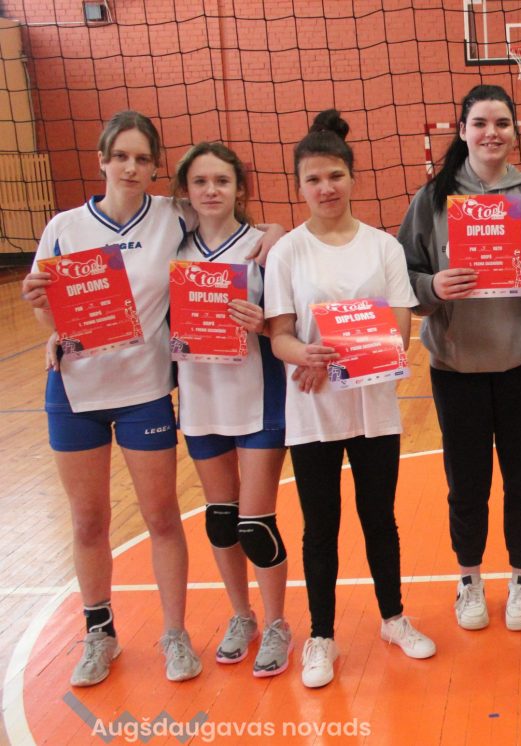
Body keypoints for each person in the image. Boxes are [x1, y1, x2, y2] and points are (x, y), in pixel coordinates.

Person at [21, 110, 202, 685]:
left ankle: (175, 634)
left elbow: (235, 219)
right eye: (120, 156)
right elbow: (49, 310)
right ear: (101, 160)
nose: (130, 167)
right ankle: (99, 633)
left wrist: (272, 235)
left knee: (161, 516)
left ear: (154, 167)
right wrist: (43, 312)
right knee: (88, 521)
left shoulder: (174, 217)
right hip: (75, 390)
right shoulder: (64, 227)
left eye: (142, 158)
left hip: (145, 391)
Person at [264, 109, 433, 688]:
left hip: (373, 406)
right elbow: (280, 334)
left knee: (379, 518)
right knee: (320, 527)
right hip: (313, 409)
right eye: (313, 179)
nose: (326, 187)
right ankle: (321, 636)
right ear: (300, 187)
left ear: (352, 177)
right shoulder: (287, 252)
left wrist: (352, 356)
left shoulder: (383, 247)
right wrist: (305, 354)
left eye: (335, 175)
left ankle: (393, 618)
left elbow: (400, 329)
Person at [398, 84, 521, 632]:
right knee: (466, 485)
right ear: (462, 130)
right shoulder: (431, 199)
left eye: (502, 123)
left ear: (515, 132)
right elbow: (403, 279)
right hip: (456, 370)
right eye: (480, 123)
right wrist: (432, 286)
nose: (491, 133)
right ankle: (469, 580)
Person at [172, 142, 292, 675]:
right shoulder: (174, 247)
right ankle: (241, 616)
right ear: (186, 191)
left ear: (240, 188)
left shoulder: (265, 248)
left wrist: (261, 323)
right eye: (200, 182)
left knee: (254, 523)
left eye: (222, 181)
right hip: (200, 398)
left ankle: (277, 623)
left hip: (259, 396)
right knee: (221, 520)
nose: (211, 191)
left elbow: (286, 322)